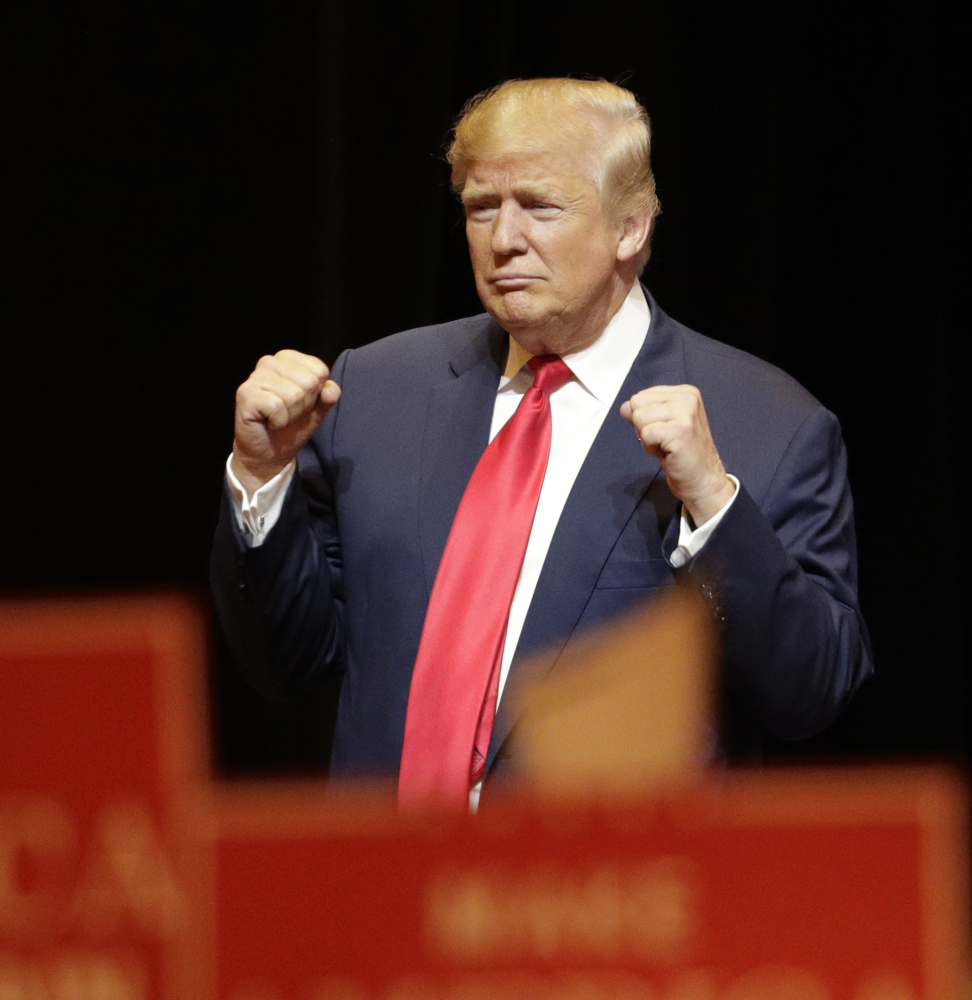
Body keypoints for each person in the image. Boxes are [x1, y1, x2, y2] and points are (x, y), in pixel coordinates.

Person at [211, 78, 872, 809]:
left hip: (596, 901)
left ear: (630, 228)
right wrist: (261, 475)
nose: (503, 241)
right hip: (381, 891)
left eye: (540, 207)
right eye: (481, 208)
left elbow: (811, 695)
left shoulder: (770, 424)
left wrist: (714, 505)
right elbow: (288, 663)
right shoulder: (373, 391)